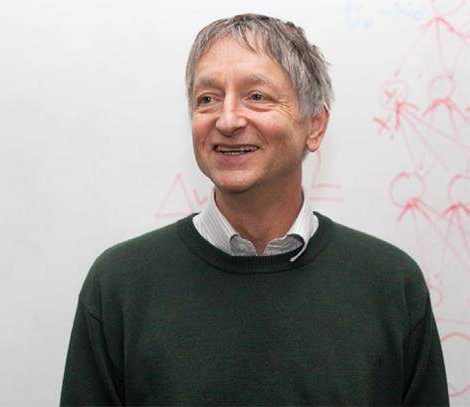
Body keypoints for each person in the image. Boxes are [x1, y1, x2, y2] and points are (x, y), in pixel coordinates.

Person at [60, 14, 449, 406]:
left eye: (257, 96)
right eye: (207, 98)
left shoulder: (391, 285)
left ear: (315, 126)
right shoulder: (120, 287)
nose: (228, 120)